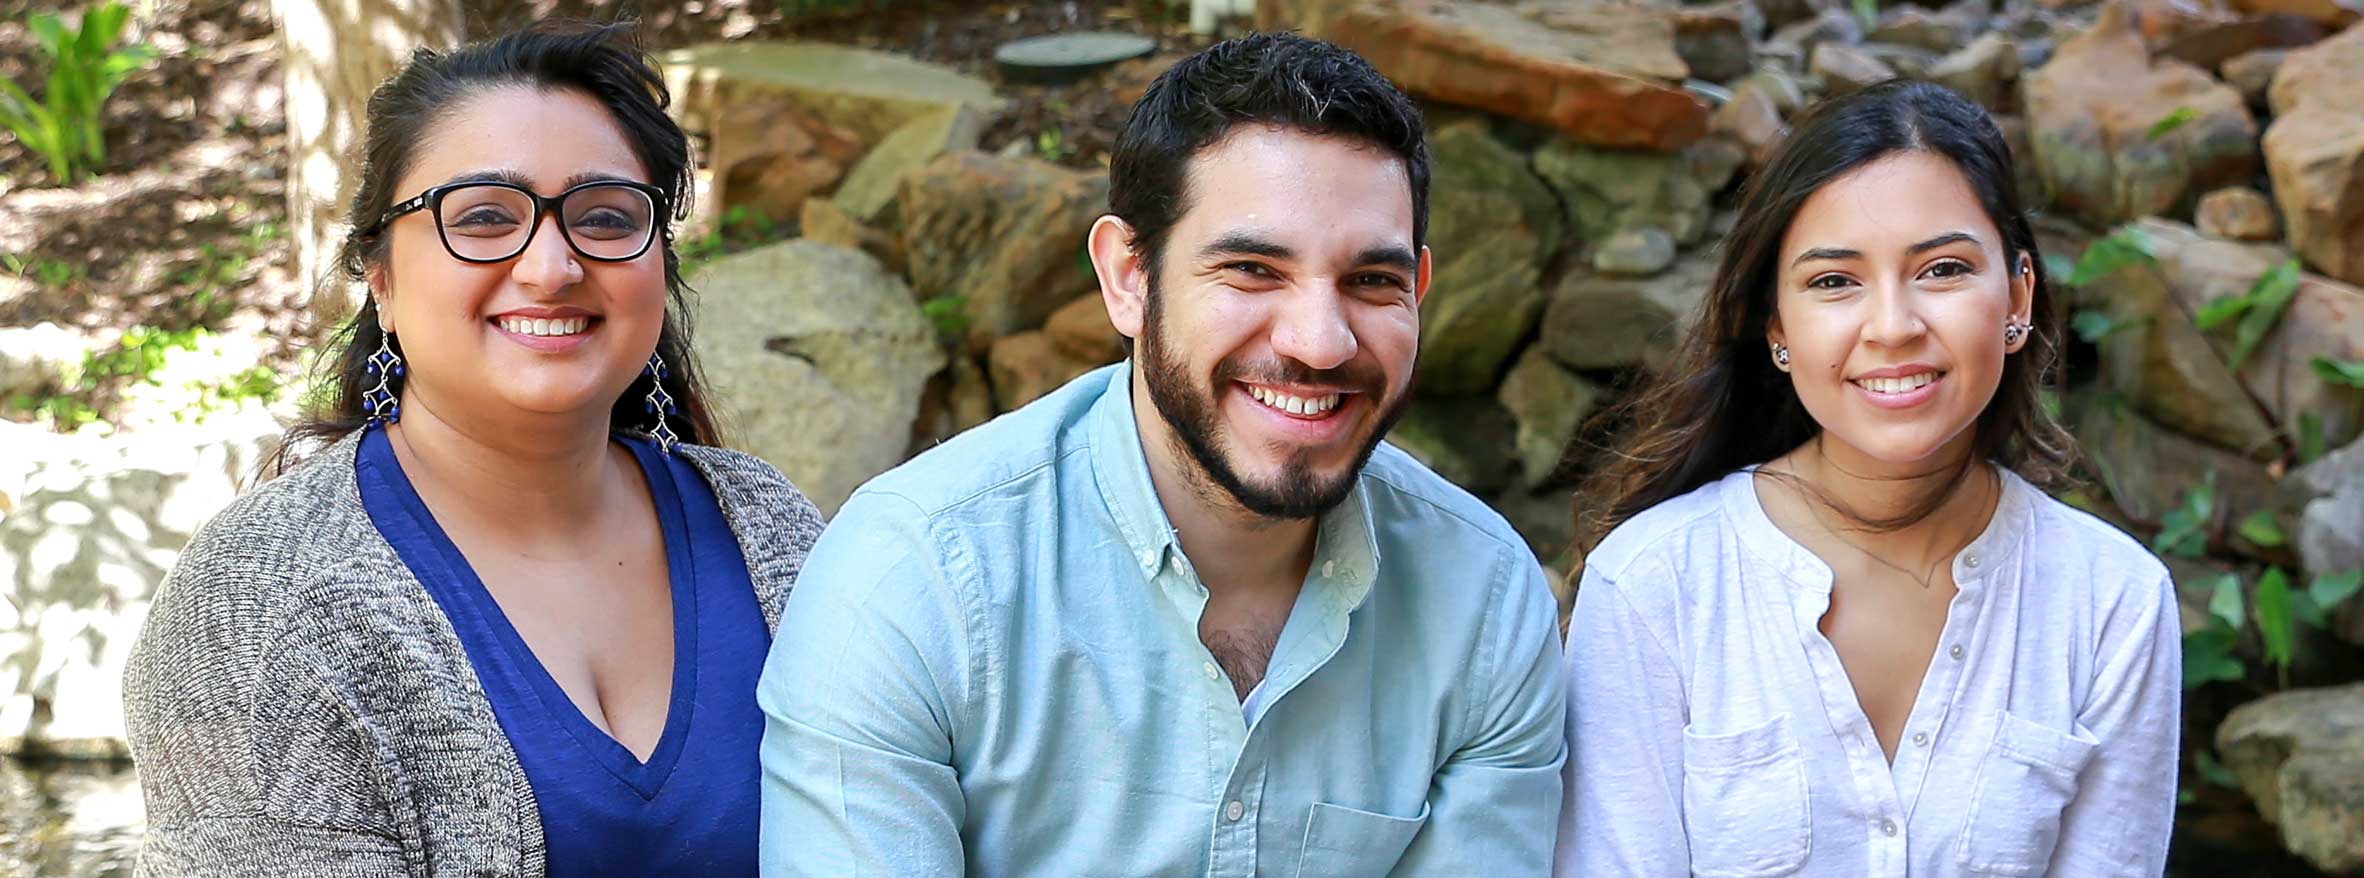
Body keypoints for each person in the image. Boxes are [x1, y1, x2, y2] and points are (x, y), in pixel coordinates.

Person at [757, 33, 1565, 877]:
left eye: (1372, 282)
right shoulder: (913, 579)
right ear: (1128, 278)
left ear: (1419, 293)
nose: (1322, 343)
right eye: (1253, 269)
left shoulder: (1484, 595)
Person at [124, 22, 823, 876]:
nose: (552, 265)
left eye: (606, 216)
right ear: (378, 276)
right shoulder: (261, 605)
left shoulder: (770, 527)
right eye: (486, 217)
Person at [1553, 79, 2181, 877]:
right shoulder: (1654, 586)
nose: (1892, 327)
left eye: (1944, 269)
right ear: (1776, 325)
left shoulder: (2111, 601)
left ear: (2018, 295)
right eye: (1834, 282)